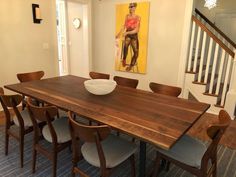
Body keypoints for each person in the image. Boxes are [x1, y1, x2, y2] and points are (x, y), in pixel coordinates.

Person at [116, 2, 141, 71]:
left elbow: (136, 30)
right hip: (128, 35)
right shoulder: (127, 16)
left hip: (133, 35)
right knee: (126, 44)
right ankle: (124, 59)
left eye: (132, 6)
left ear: (135, 7)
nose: (131, 8)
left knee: (136, 53)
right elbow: (124, 26)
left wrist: (127, 32)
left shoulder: (138, 17)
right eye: (130, 7)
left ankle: (131, 66)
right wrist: (119, 34)